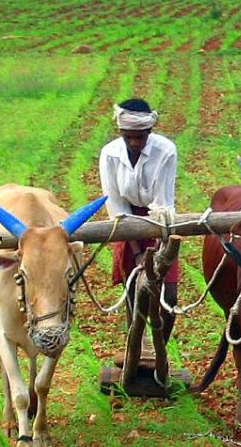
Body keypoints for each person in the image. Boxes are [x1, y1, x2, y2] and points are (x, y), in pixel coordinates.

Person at [99, 98, 180, 343]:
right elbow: (116, 205)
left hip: (159, 221)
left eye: (140, 137)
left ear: (150, 131)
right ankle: (135, 346)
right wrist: (136, 253)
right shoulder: (110, 154)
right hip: (126, 223)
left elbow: (162, 203)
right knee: (134, 289)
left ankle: (160, 350)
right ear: (121, 132)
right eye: (129, 137)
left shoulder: (166, 150)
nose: (134, 143)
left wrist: (159, 254)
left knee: (169, 294)